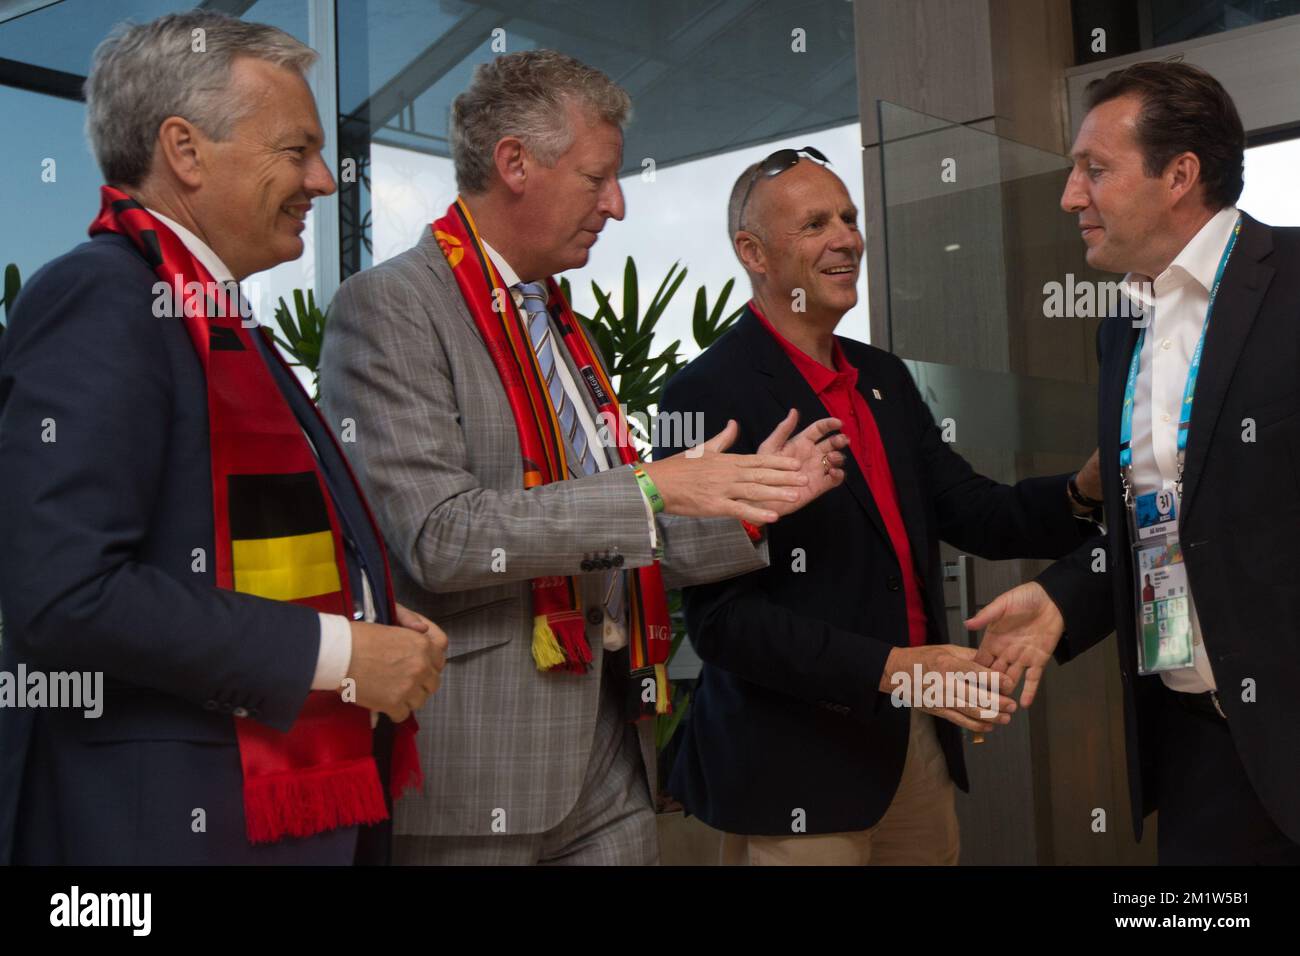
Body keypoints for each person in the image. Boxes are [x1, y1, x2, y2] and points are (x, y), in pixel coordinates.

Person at [319, 51, 848, 865]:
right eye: (598, 178)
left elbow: (607, 535)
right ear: (514, 164)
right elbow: (440, 535)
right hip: (482, 772)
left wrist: (750, 505)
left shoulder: (562, 324)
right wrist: (652, 487)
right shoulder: (390, 305)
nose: (618, 205)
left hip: (612, 759)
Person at [0, 11, 447, 865]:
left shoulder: (211, 316)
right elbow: (64, 596)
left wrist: (362, 613)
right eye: (296, 150)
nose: (323, 181)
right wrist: (341, 650)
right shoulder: (103, 297)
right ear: (186, 150)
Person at [653, 146, 1101, 865]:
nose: (847, 239)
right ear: (753, 252)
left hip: (912, 745)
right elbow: (725, 624)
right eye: (815, 224)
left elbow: (977, 512)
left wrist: (1086, 488)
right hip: (794, 768)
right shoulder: (705, 393)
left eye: (850, 218)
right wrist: (896, 667)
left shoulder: (881, 376)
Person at [971, 60, 1300, 864]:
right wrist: (1064, 597)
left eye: (1094, 169)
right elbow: (1169, 523)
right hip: (1200, 749)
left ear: (1179, 175)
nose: (1070, 196)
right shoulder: (1122, 327)